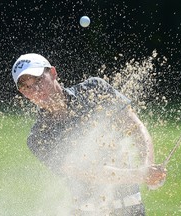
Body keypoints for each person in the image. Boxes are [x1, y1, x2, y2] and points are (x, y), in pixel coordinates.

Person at [11, 53, 167, 215]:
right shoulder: (39, 137)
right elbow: (84, 170)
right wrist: (139, 175)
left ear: (52, 73)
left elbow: (135, 127)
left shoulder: (94, 89)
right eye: (26, 87)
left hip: (133, 209)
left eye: (38, 80)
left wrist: (148, 166)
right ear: (23, 93)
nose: (35, 90)